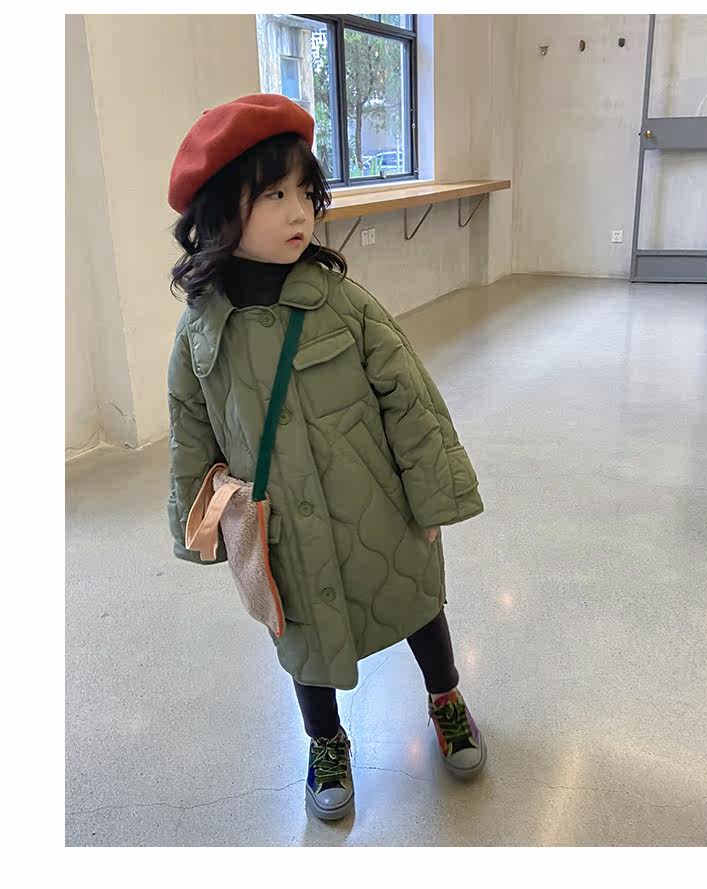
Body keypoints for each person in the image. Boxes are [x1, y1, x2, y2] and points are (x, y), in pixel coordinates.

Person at [166, 94, 486, 821]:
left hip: (378, 505)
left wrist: (431, 497)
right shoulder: (199, 332)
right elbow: (190, 433)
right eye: (273, 195)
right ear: (220, 211)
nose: (299, 213)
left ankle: (446, 698)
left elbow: (410, 399)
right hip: (282, 528)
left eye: (305, 193)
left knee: (415, 602)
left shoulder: (342, 303)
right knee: (303, 638)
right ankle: (325, 740)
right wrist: (200, 530)